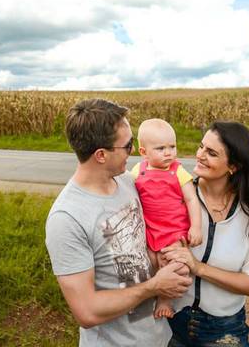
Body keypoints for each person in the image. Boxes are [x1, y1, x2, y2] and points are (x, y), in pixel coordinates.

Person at [45, 98, 192, 346]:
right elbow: (87, 311)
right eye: (127, 145)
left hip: (159, 336)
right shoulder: (67, 218)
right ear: (101, 155)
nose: (134, 151)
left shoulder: (126, 181)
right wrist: (155, 286)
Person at [161, 121, 249, 347]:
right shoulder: (178, 198)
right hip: (168, 321)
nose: (200, 155)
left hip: (224, 330)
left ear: (233, 166)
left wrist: (199, 268)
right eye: (201, 146)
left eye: (212, 153)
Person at [130, 118, 202, 319]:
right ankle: (149, 292)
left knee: (177, 264)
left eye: (172, 146)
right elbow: (128, 192)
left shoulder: (177, 171)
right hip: (149, 230)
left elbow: (191, 199)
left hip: (173, 231)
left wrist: (196, 227)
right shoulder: (138, 170)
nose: (169, 152)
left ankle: (165, 300)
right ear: (144, 152)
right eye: (161, 148)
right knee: (150, 262)